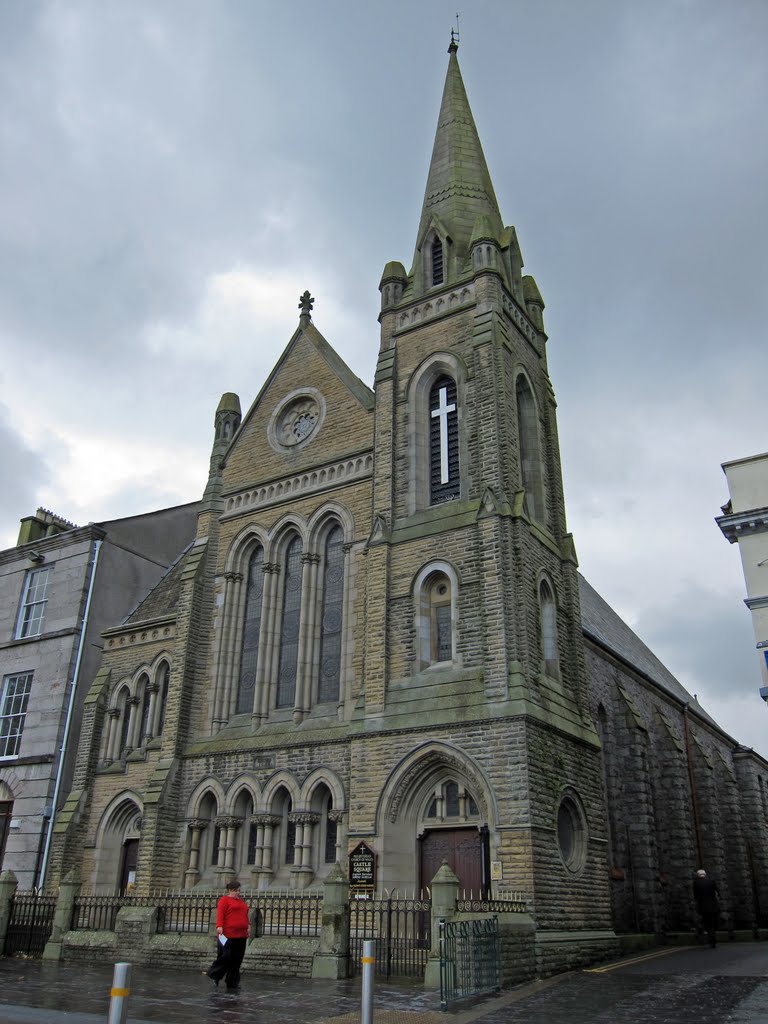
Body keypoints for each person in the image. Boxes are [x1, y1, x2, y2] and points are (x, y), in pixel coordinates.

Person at [204, 879, 251, 990]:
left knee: (237, 960)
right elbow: (220, 913)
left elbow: (245, 915)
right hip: (227, 935)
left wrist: (248, 926)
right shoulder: (224, 900)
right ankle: (215, 974)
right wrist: (219, 926)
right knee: (225, 957)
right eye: (236, 891)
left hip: (241, 935)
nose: (238, 893)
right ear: (230, 890)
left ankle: (232, 982)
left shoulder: (241, 902)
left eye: (239, 891)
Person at [693, 868, 720, 947]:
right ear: (705, 875)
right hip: (713, 906)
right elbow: (717, 893)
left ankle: (710, 937)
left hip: (703, 907)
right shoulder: (712, 881)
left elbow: (695, 896)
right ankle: (713, 935)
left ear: (698, 875)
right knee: (713, 922)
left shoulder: (696, 883)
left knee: (707, 922)